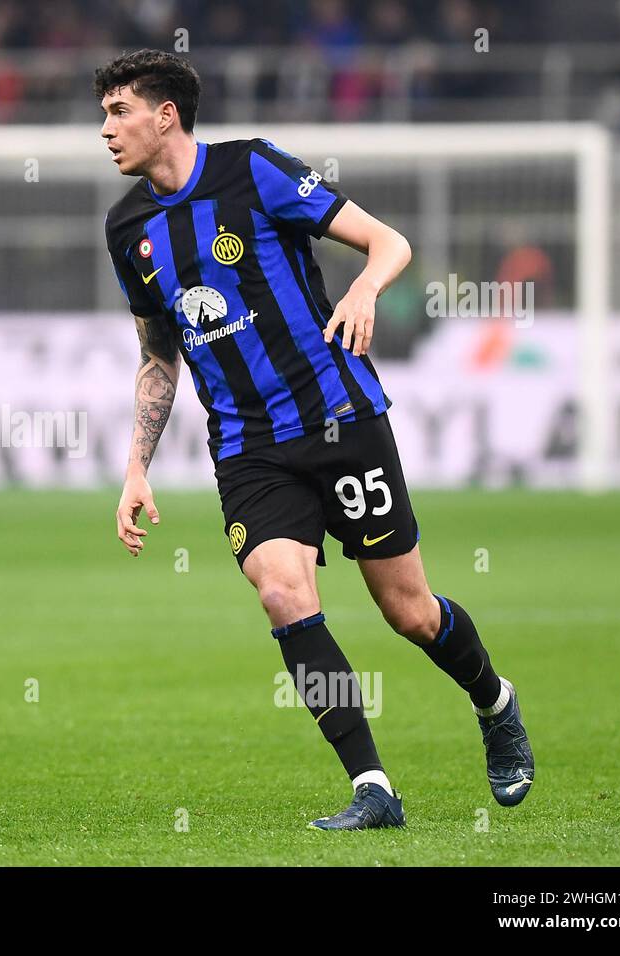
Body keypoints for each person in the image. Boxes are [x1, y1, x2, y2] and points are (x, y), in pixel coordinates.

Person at [96, 49, 533, 830]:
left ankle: (494, 701)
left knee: (408, 612)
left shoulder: (253, 169)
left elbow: (388, 241)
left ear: (166, 114)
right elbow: (157, 354)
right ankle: (374, 786)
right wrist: (135, 466)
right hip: (247, 447)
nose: (107, 129)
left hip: (339, 419)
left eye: (120, 111)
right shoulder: (128, 226)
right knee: (283, 595)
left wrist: (365, 284)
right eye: (104, 113)